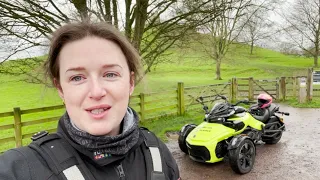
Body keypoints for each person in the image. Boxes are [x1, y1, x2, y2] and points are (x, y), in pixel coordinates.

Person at [0, 21, 180, 180]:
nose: (96, 92)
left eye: (110, 74)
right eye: (77, 78)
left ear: (130, 82)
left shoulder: (156, 150)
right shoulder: (22, 168)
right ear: (61, 89)